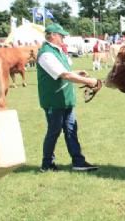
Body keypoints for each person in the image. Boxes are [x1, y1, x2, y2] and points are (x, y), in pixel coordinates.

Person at [37, 23, 99, 172]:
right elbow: (63, 74)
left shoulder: (57, 51)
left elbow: (66, 71)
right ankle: (47, 164)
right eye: (61, 35)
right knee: (54, 131)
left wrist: (78, 73)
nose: (63, 37)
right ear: (52, 35)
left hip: (66, 99)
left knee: (71, 130)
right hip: (54, 100)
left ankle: (78, 161)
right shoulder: (46, 54)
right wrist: (89, 81)